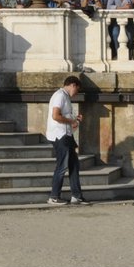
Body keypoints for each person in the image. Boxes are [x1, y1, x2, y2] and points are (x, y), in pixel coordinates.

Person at [45, 75, 86, 205]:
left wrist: (73, 120)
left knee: (74, 164)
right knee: (62, 166)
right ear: (72, 85)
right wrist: (71, 120)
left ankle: (76, 196)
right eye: (77, 90)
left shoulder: (65, 96)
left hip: (65, 135)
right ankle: (54, 196)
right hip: (59, 135)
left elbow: (63, 116)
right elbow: (56, 116)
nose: (76, 93)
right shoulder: (60, 95)